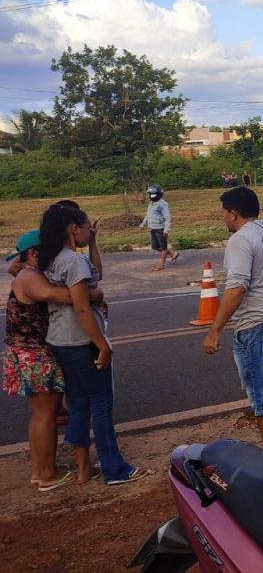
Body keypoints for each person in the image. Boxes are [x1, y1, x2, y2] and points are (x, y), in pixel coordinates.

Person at [39, 204, 149, 485]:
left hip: (61, 341)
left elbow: (95, 275)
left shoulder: (54, 259)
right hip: (80, 341)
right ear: (73, 228)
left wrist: (93, 242)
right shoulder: (72, 262)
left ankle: (83, 468)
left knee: (79, 403)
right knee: (101, 403)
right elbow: (82, 308)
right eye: (87, 225)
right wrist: (102, 345)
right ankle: (115, 469)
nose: (90, 229)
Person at [202, 187, 263, 460]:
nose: (222, 217)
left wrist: (215, 329)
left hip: (259, 324)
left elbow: (236, 288)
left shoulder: (241, 240)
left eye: (223, 212)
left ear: (234, 214)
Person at [4, 230, 102, 491]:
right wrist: (93, 294)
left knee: (40, 415)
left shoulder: (26, 273)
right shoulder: (32, 277)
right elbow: (58, 296)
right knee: (45, 415)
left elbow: (13, 265)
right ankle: (47, 474)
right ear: (36, 253)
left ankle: (40, 470)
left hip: (25, 352)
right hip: (33, 354)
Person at [139, 185, 179, 271]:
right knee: (154, 246)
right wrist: (143, 224)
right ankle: (172, 252)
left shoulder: (163, 204)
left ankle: (161, 264)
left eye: (152, 194)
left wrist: (166, 230)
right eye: (150, 194)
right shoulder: (151, 203)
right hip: (153, 228)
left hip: (161, 229)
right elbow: (148, 215)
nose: (150, 196)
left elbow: (168, 218)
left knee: (163, 247)